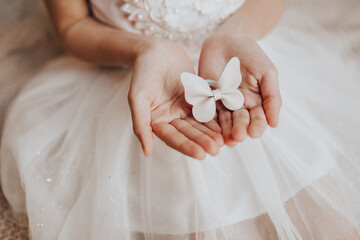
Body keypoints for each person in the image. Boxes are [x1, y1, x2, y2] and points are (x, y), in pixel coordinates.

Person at [1, 0, 360, 239]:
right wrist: (145, 49)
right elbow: (71, 25)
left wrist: (236, 33)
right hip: (128, 73)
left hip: (238, 59)